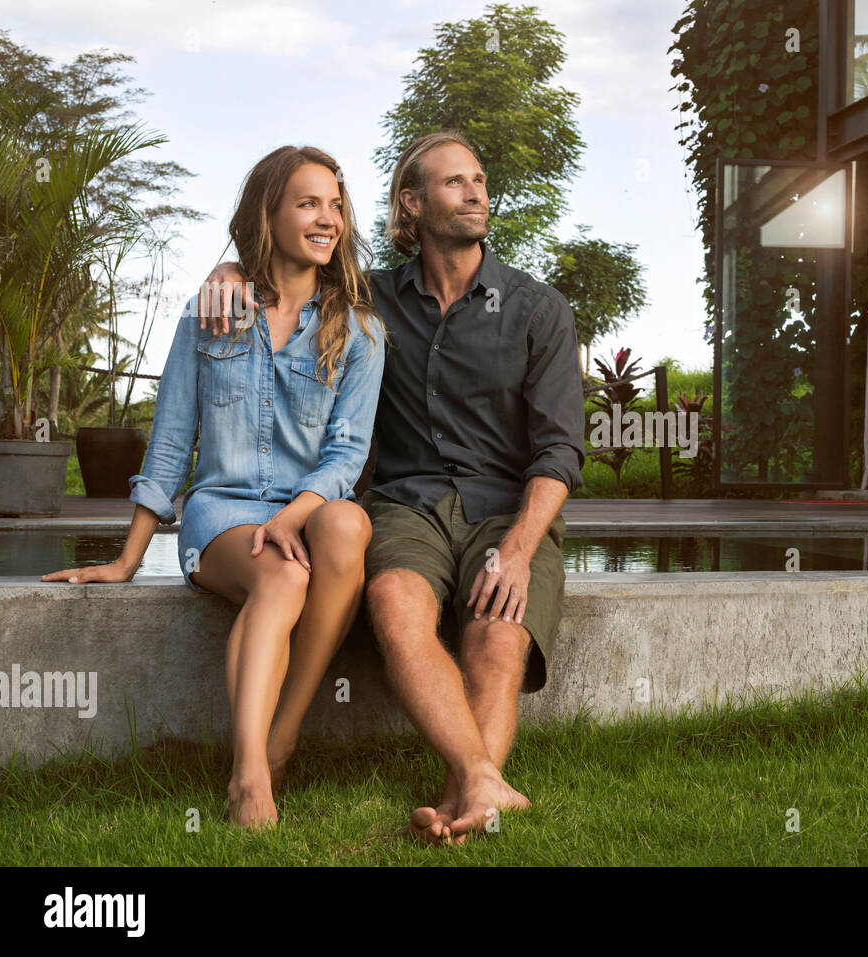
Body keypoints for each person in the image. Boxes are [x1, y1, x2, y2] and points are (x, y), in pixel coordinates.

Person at [201, 130, 584, 845]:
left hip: (508, 510)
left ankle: (466, 789)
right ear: (412, 202)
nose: (476, 191)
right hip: (407, 505)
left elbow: (560, 452)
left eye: (479, 179)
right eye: (453, 182)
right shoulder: (368, 302)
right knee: (395, 602)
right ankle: (481, 785)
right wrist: (229, 269)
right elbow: (286, 271)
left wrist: (521, 550)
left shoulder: (538, 310)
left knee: (497, 637)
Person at [43, 146, 386, 830]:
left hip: (309, 513)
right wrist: (126, 559)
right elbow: (171, 442)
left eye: (336, 205)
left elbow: (346, 452)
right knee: (284, 580)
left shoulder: (360, 332)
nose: (328, 219)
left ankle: (274, 739)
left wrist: (296, 514)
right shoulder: (211, 312)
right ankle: (256, 774)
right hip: (222, 514)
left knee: (348, 524)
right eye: (308, 203)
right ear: (270, 212)